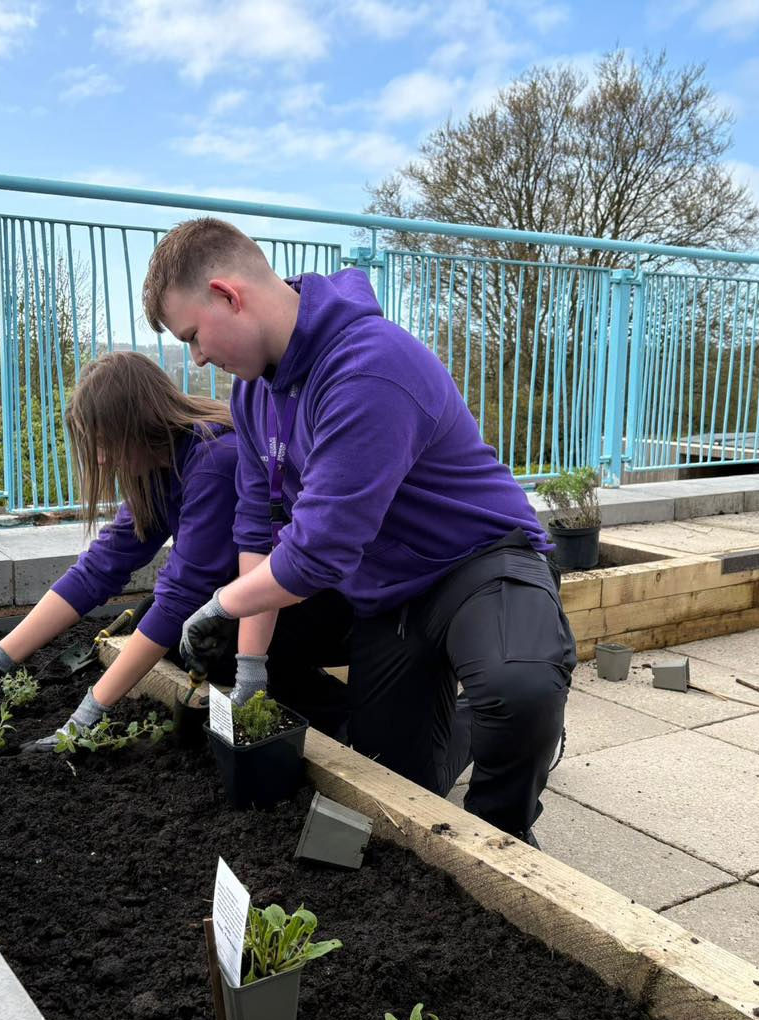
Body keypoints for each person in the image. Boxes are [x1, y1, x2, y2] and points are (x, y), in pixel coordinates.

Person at [142, 218, 577, 845]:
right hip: (385, 594)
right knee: (399, 783)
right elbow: (257, 532)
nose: (198, 357)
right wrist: (251, 667)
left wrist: (219, 605)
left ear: (228, 295)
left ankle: (505, 831)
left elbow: (315, 553)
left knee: (520, 689)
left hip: (478, 565)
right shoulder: (252, 396)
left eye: (193, 336)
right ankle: (468, 726)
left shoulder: (368, 366)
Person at [0, 350, 350, 750]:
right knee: (161, 624)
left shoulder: (214, 461)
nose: (99, 460)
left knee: (195, 640)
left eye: (104, 443)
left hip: (318, 606)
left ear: (137, 425)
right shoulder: (159, 464)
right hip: (256, 601)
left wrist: (83, 719)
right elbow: (98, 569)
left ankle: (332, 713)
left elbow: (181, 596)